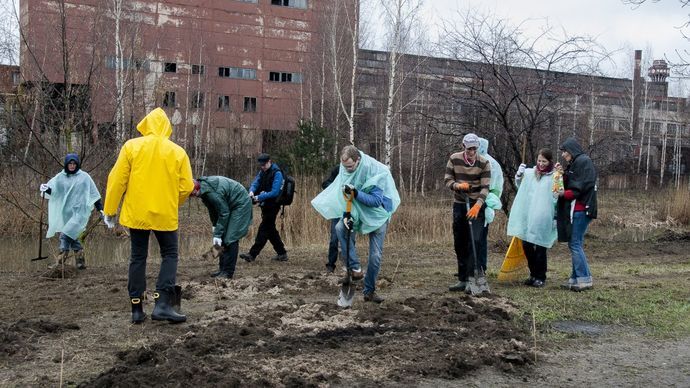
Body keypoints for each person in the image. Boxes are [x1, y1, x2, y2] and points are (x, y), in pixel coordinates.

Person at [103, 107, 194, 324]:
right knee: (170, 254)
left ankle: (136, 309)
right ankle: (162, 304)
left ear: (146, 125)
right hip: (164, 214)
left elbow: (116, 180)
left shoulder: (131, 147)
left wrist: (110, 210)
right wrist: (173, 203)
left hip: (137, 213)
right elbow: (187, 187)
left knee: (138, 257)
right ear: (166, 127)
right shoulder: (177, 152)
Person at [311, 145, 400, 303]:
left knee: (375, 256)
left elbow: (375, 201)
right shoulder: (345, 170)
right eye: (345, 166)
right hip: (358, 210)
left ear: (358, 160)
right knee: (340, 228)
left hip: (378, 214)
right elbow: (344, 195)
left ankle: (369, 291)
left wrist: (356, 193)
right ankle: (355, 268)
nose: (347, 170)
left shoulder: (375, 171)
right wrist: (346, 215)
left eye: (350, 166)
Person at [444, 133, 492, 292]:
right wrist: (458, 186)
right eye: (469, 148)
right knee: (460, 241)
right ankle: (463, 279)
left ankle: (473, 278)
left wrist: (478, 205)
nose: (472, 152)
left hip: (477, 204)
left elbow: (486, 187)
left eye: (474, 149)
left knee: (475, 241)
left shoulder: (484, 163)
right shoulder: (454, 159)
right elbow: (448, 180)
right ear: (463, 147)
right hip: (460, 203)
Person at [39, 153, 103, 270]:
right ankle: (80, 262)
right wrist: (46, 189)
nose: (72, 166)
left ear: (77, 164)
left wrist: (101, 209)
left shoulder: (85, 177)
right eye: (70, 163)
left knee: (65, 235)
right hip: (66, 213)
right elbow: (54, 192)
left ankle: (59, 264)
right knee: (73, 237)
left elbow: (94, 194)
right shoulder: (60, 177)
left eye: (74, 163)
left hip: (80, 213)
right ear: (66, 164)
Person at [507, 148, 558, 288]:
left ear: (550, 161)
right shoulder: (531, 173)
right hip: (529, 216)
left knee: (541, 247)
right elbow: (521, 187)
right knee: (527, 245)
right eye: (539, 160)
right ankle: (533, 274)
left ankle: (541, 276)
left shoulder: (555, 176)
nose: (541, 164)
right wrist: (519, 176)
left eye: (544, 161)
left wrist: (556, 217)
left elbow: (558, 197)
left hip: (544, 218)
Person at [555, 137, 598, 292]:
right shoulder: (577, 162)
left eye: (565, 152)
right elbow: (573, 180)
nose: (563, 155)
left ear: (571, 150)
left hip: (581, 209)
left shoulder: (582, 162)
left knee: (575, 243)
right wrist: (562, 173)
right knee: (575, 243)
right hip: (579, 208)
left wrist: (563, 194)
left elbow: (579, 187)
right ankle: (576, 279)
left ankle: (584, 279)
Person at [191, 176, 253, 279]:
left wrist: (218, 233)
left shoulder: (211, 193)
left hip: (240, 204)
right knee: (223, 237)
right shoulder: (204, 192)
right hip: (230, 206)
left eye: (192, 194)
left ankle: (228, 272)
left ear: (196, 189)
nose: (192, 196)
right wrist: (215, 227)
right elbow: (213, 210)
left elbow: (224, 212)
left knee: (230, 238)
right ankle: (222, 269)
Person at [240, 153, 288, 262]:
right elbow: (256, 182)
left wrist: (259, 197)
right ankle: (282, 253)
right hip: (265, 204)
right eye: (261, 165)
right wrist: (251, 191)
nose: (262, 167)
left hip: (274, 205)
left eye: (264, 165)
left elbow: (275, 192)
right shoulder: (263, 172)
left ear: (269, 162)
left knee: (264, 229)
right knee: (270, 230)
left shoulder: (277, 173)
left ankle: (252, 254)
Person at [477, 137, 503, 272]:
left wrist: (490, 203)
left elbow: (496, 187)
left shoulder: (490, 163)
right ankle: (471, 265)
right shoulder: (470, 161)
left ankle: (480, 266)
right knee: (470, 237)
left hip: (485, 202)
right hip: (471, 200)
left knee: (480, 236)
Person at [321, 165, 341, 273]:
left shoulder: (358, 171)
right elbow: (325, 183)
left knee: (349, 240)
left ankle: (350, 266)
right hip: (337, 210)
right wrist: (335, 187)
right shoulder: (338, 169)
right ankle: (331, 265)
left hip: (352, 210)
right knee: (334, 239)